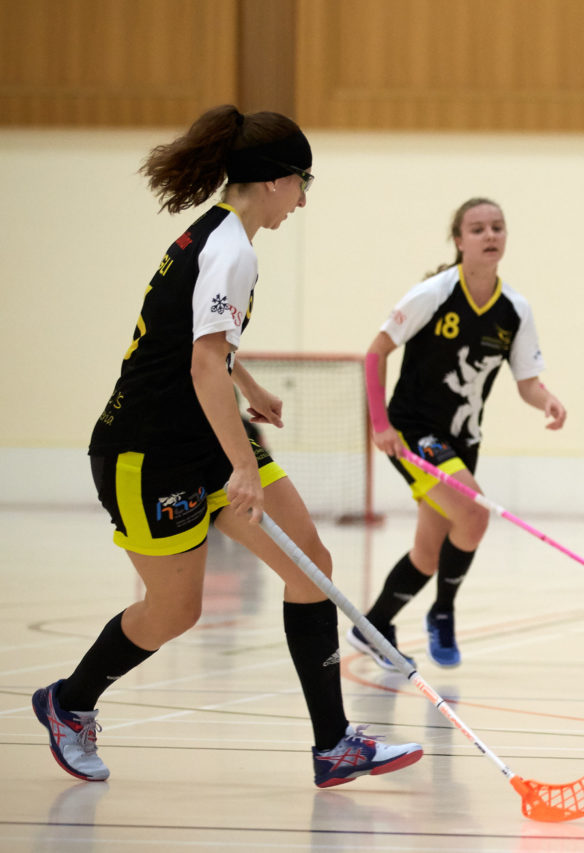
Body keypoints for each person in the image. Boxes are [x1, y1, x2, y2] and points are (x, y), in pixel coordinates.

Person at [32, 105, 423, 787]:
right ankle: (69, 702)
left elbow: (205, 345)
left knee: (312, 566)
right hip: (147, 453)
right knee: (175, 610)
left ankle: (334, 745)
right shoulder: (230, 248)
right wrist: (243, 459)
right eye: (304, 182)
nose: (303, 198)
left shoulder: (219, 236)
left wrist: (250, 386)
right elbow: (200, 364)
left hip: (206, 434)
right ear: (274, 180)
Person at [351, 198, 566, 670]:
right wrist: (381, 426)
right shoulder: (434, 293)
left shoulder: (515, 310)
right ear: (458, 241)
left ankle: (373, 626)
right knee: (474, 515)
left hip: (462, 442)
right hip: (414, 431)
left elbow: (526, 381)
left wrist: (545, 398)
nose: (490, 236)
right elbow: (375, 352)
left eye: (497, 227)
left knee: (428, 555)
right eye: (477, 229)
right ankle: (443, 612)